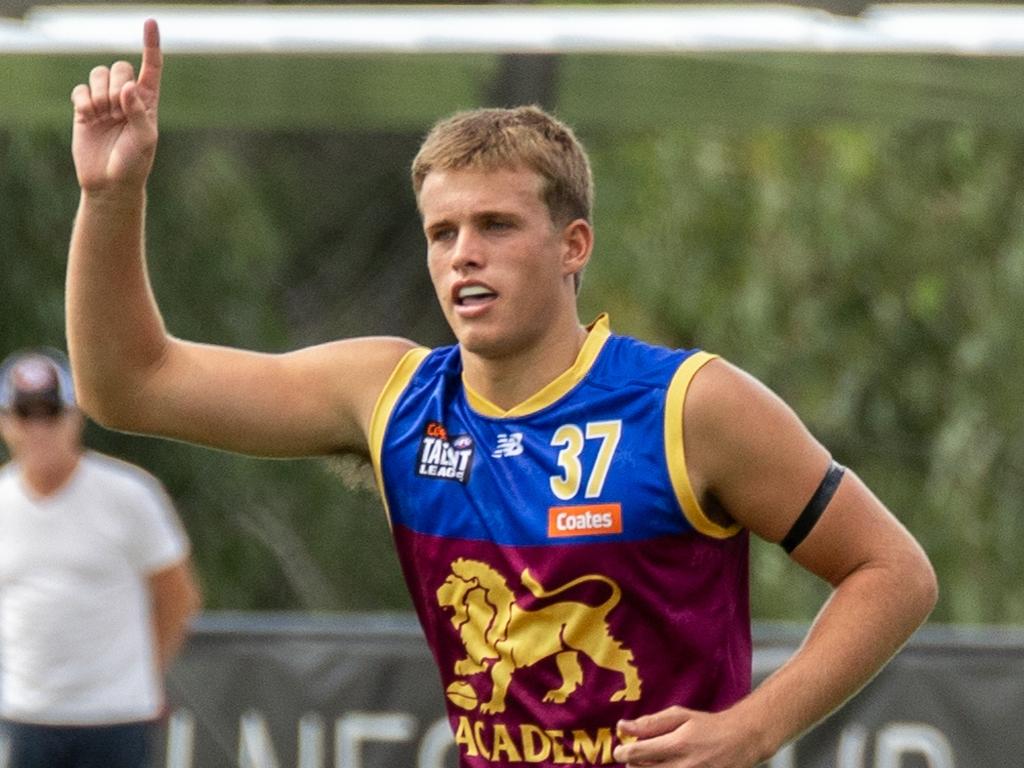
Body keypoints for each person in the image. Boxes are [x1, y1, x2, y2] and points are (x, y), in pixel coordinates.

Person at [65, 19, 936, 768]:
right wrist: (111, 196)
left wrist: (753, 728)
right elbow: (129, 385)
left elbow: (893, 572)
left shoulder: (688, 406)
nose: (462, 255)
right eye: (442, 232)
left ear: (573, 245)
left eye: (496, 226)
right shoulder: (391, 396)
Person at [0, 348, 201, 768]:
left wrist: (140, 675)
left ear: (76, 416)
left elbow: (177, 596)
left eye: (50, 414)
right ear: (6, 423)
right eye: (25, 416)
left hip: (116, 716)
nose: (39, 430)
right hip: (26, 715)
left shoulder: (129, 495)